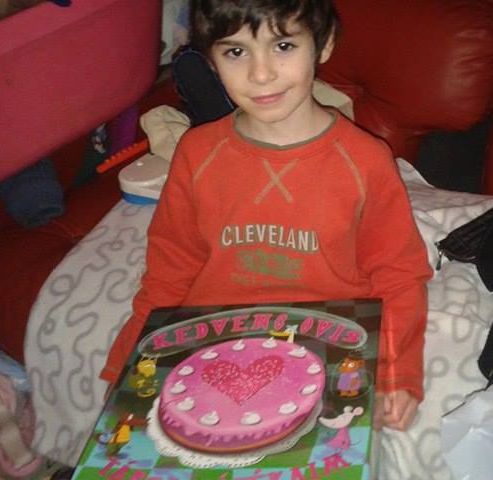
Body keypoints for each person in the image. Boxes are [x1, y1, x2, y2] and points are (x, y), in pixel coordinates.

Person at [100, 0, 432, 431]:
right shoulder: (196, 153)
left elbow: (399, 275)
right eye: (236, 51)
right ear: (211, 60)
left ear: (324, 44)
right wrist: (125, 366)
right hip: (211, 345)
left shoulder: (366, 160)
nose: (260, 74)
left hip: (331, 343)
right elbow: (168, 271)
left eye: (283, 46)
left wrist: (396, 373)